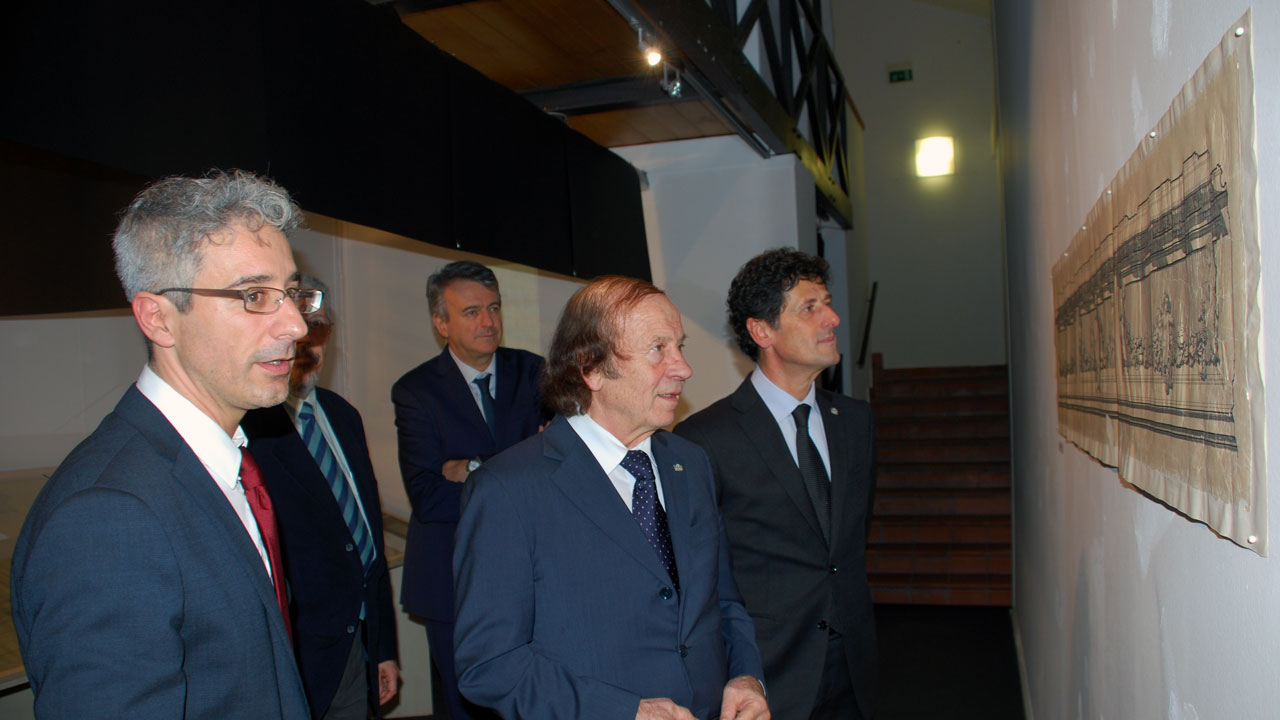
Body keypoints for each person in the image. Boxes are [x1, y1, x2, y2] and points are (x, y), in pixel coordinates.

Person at [10, 170, 314, 718]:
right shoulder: (107, 517)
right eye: (253, 296)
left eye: (291, 293)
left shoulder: (223, 462)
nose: (295, 325)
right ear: (157, 318)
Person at [453, 275, 770, 720]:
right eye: (658, 349)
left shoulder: (690, 463)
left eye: (679, 347)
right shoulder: (508, 490)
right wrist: (623, 711)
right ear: (591, 367)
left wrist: (745, 676)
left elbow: (722, 601)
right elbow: (491, 664)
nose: (683, 368)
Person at [675, 248, 878, 720]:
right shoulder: (704, 438)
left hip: (853, 667)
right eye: (810, 308)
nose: (832, 318)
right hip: (766, 675)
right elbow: (701, 576)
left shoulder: (856, 421)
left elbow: (848, 543)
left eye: (828, 303)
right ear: (761, 331)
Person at [391, 260, 547, 719]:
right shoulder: (416, 391)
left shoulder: (533, 371)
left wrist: (473, 468)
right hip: (451, 578)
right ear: (441, 323)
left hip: (531, 574)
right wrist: (515, 468)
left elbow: (556, 468)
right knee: (465, 706)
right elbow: (428, 496)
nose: (488, 322)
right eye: (472, 312)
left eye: (494, 308)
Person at [242, 274, 400, 719]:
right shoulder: (249, 431)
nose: (307, 343)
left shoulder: (343, 415)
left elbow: (366, 540)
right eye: (298, 329)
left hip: (359, 644)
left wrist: (383, 648)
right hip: (299, 660)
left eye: (319, 328)